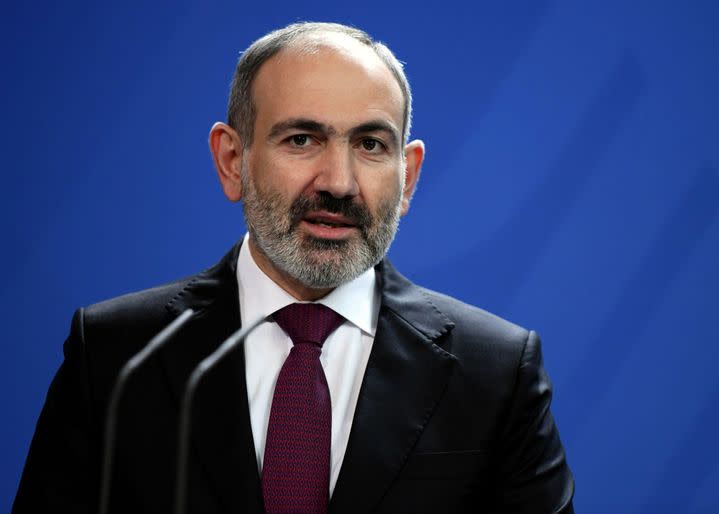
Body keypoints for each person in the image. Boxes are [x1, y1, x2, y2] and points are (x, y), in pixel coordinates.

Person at [13, 22, 574, 514]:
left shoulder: (497, 371)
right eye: (302, 139)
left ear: (409, 176)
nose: (338, 181)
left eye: (371, 144)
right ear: (233, 160)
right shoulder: (118, 356)